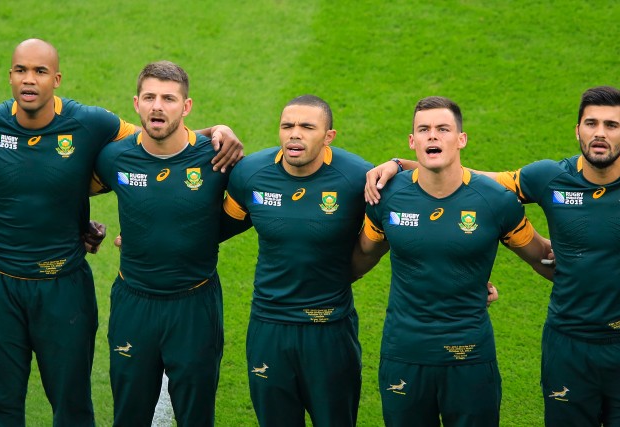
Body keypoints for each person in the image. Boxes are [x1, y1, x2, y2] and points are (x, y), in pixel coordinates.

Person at [0, 38, 242, 427]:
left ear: (57, 79)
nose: (29, 79)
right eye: (21, 70)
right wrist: (68, 219)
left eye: (39, 71)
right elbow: (5, 187)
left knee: (72, 403)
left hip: (65, 284)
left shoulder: (91, 123)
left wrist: (215, 132)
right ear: (10, 75)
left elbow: (156, 140)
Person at [364, 86, 620, 427]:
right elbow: (472, 181)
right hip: (568, 341)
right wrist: (402, 164)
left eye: (611, 125)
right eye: (591, 123)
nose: (600, 133)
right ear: (577, 130)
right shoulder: (550, 178)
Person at [353, 96, 554, 426]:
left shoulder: (496, 201)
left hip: (469, 355)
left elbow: (542, 257)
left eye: (443, 129)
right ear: (412, 141)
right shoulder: (387, 196)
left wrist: (594, 269)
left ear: (461, 139)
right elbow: (362, 255)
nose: (433, 135)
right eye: (424, 129)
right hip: (404, 353)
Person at [92, 60, 232, 427]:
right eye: (150, 97)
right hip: (133, 303)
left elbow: (250, 211)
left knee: (196, 417)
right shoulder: (114, 157)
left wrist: (193, 236)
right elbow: (65, 185)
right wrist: (80, 227)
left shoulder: (217, 158)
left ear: (186, 107)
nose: (158, 106)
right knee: (129, 416)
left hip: (195, 306)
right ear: (136, 103)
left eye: (169, 98)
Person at [220, 94, 372, 427]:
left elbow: (412, 227)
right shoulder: (251, 174)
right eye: (287, 125)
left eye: (307, 127)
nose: (295, 134)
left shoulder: (358, 177)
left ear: (328, 136)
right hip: (269, 326)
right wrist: (145, 243)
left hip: (329, 328)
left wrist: (466, 281)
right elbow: (212, 229)